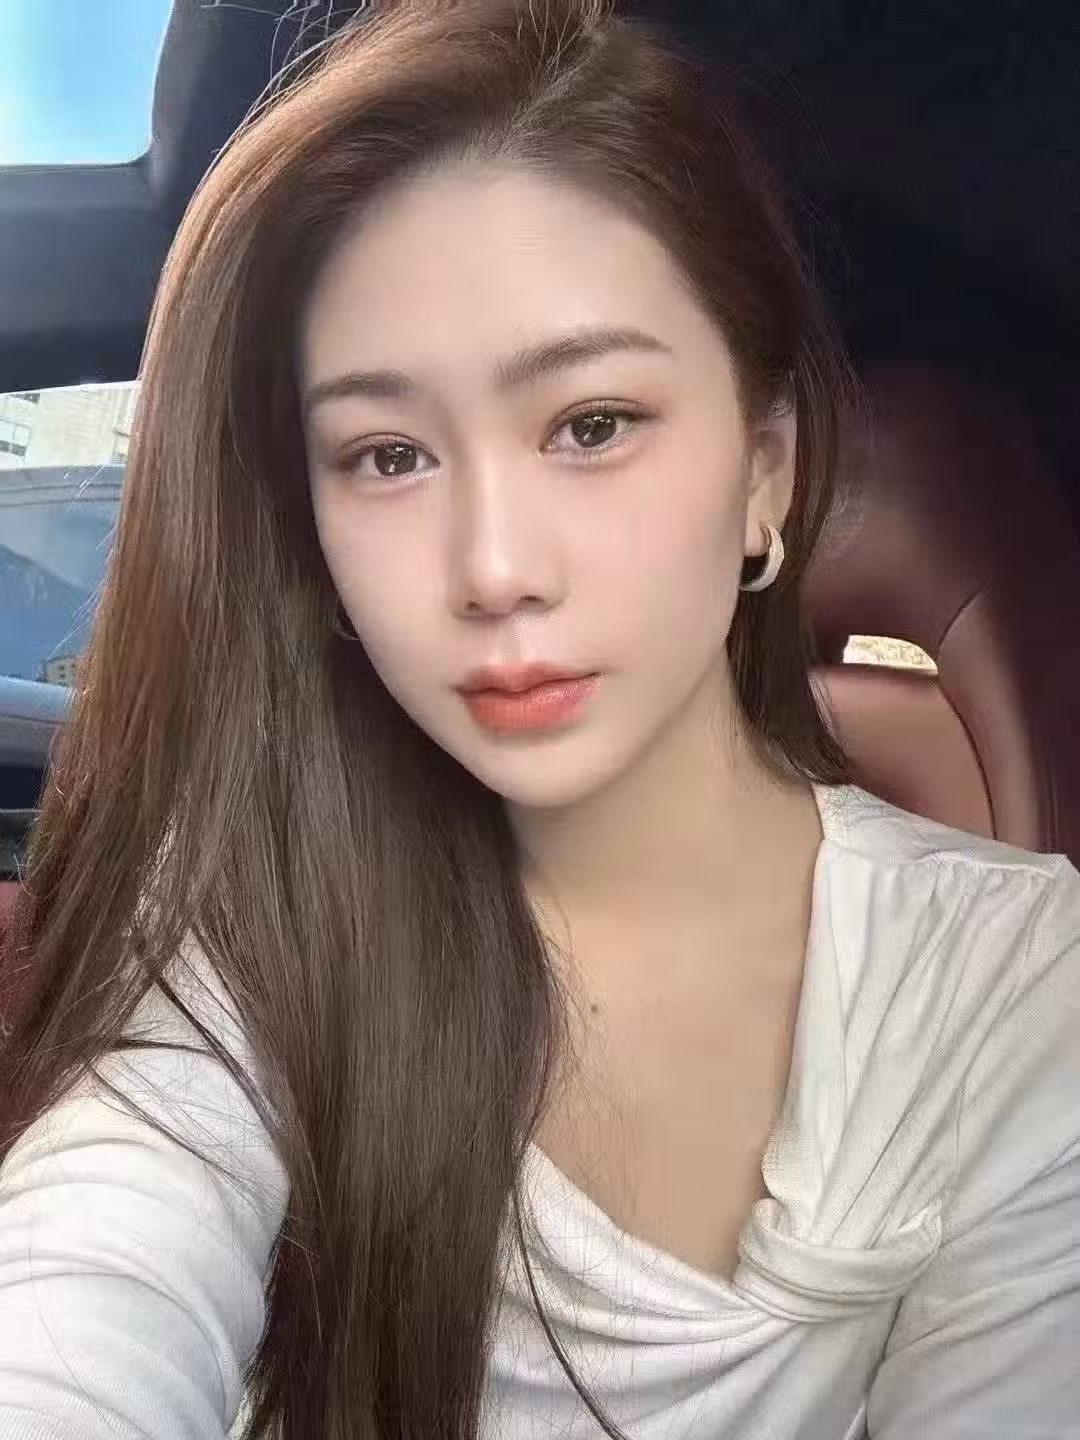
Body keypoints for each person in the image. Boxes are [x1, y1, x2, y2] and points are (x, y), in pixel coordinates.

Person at [1, 0, 1078, 1436]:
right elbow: (87, 1293)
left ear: (764, 474)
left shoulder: (1011, 978)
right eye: (388, 455)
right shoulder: (265, 918)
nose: (495, 568)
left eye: (592, 425)